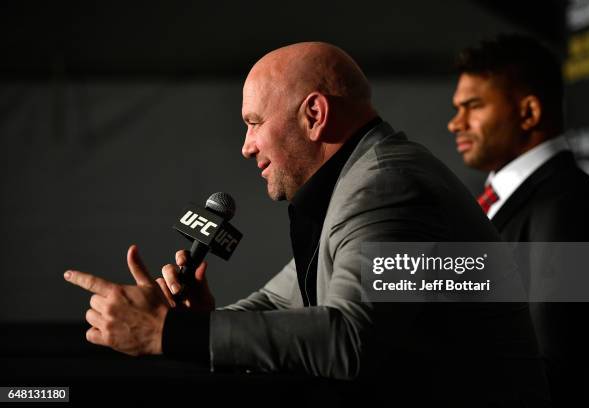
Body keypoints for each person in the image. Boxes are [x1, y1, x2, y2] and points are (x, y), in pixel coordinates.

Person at [65, 42, 550, 406]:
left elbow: (349, 338)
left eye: (254, 122)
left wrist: (168, 333)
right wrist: (195, 321)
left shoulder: (387, 186)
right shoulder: (356, 179)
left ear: (314, 115)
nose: (246, 146)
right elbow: (282, 300)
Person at [448, 34, 589, 407]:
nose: (455, 123)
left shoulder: (572, 201)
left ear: (529, 112)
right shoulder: (494, 197)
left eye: (472, 106)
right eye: (457, 108)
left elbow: (558, 366)